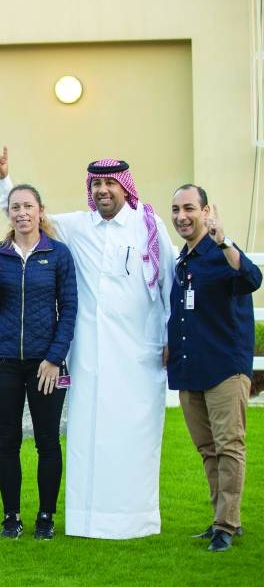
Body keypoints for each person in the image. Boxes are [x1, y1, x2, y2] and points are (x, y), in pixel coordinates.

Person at [0, 147, 173, 539]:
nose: (103, 190)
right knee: (87, 437)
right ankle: (87, 519)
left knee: (133, 436)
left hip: (136, 357)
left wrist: (169, 338)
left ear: (125, 187)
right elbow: (24, 216)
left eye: (110, 183)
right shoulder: (79, 227)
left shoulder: (148, 226)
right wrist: (2, 179)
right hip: (88, 355)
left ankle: (135, 518)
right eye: (96, 184)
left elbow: (168, 284)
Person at [0, 184, 77, 540]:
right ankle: (11, 517)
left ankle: (46, 517)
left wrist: (54, 358)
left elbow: (69, 309)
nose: (21, 213)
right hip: (3, 362)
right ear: (9, 213)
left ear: (40, 210)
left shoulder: (58, 254)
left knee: (47, 442)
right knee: (7, 441)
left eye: (28, 206)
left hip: (45, 365)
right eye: (15, 207)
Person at [167, 185, 261, 552]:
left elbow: (252, 278)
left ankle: (227, 524)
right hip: (191, 369)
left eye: (189, 208)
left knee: (229, 446)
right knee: (208, 449)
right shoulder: (183, 260)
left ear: (206, 212)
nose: (181, 216)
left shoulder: (222, 252)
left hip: (224, 368)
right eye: (176, 209)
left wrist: (224, 240)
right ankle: (220, 519)